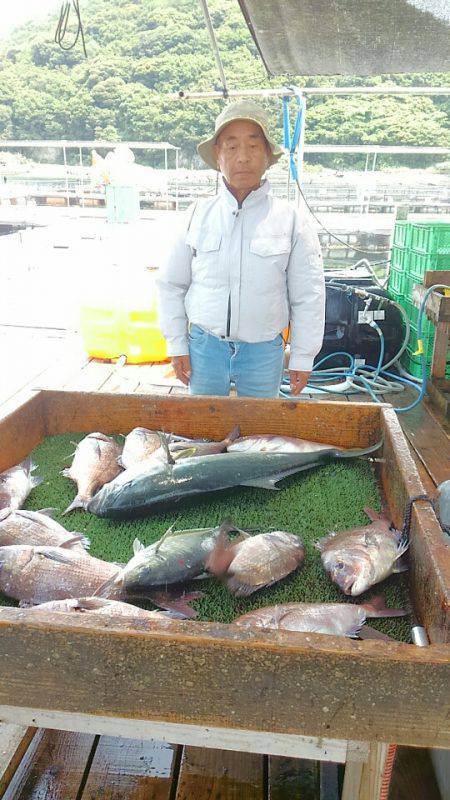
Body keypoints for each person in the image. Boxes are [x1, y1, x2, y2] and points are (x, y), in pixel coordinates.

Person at [157, 100, 325, 398]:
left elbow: (308, 295)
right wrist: (176, 344)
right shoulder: (197, 213)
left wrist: (302, 356)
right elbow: (171, 285)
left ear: (267, 155)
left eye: (253, 145)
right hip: (204, 347)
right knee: (204, 434)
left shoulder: (292, 219)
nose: (243, 158)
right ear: (217, 156)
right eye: (231, 147)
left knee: (259, 437)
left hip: (264, 350)